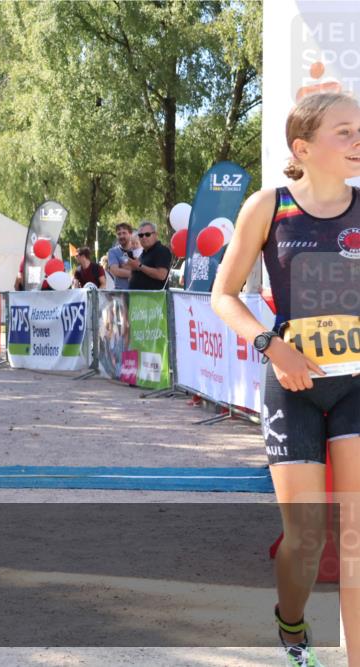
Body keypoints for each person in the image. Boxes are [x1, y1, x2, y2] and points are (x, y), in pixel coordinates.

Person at [212, 92, 360, 667]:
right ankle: (292, 622)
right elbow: (224, 295)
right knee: (307, 541)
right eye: (344, 133)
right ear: (303, 147)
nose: (357, 142)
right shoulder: (268, 206)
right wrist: (272, 346)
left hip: (356, 386)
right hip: (293, 386)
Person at [126, 222, 171, 290]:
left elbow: (161, 275)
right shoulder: (143, 253)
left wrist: (140, 266)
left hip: (153, 299)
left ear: (155, 235)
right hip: (138, 297)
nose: (144, 237)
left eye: (147, 234)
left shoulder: (161, 250)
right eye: (141, 235)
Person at [106, 223, 134, 289]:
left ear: (130, 234)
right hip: (120, 293)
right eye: (119, 234)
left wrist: (122, 269)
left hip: (137, 291)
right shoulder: (113, 251)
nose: (121, 236)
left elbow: (143, 268)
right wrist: (134, 274)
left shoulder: (137, 249)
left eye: (124, 233)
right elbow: (115, 271)